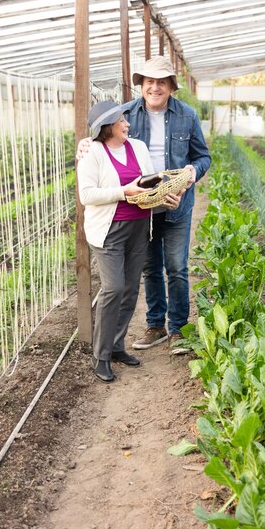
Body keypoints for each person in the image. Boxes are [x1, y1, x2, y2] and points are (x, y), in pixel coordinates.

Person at [78, 56, 211, 355]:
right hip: (143, 207)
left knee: (176, 267)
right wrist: (83, 144)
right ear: (141, 85)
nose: (155, 87)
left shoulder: (187, 116)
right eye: (149, 81)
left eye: (161, 82)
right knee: (151, 268)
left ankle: (178, 329)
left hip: (177, 203)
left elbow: (203, 156)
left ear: (171, 87)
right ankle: (155, 326)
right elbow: (100, 138)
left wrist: (193, 172)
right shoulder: (126, 115)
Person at [77, 100, 181, 382]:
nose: (127, 124)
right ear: (108, 126)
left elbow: (150, 183)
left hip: (138, 227)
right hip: (108, 230)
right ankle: (100, 356)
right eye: (122, 120)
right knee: (113, 288)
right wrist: (124, 191)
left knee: (130, 289)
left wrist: (166, 195)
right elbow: (87, 195)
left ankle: (116, 346)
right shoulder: (93, 153)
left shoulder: (138, 148)